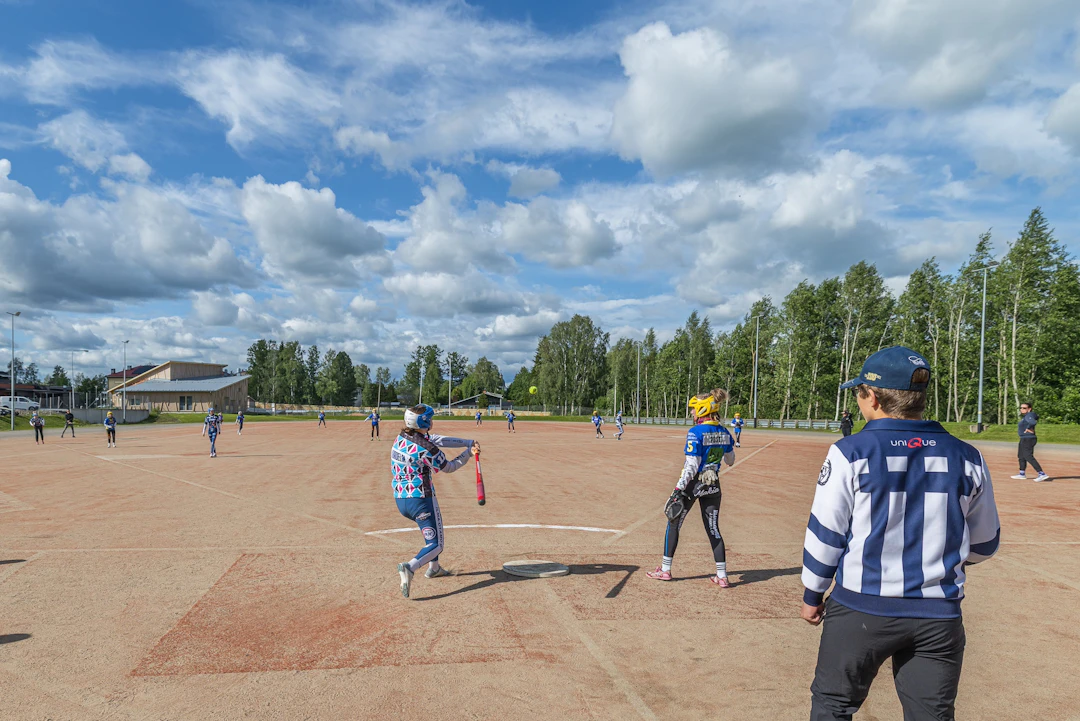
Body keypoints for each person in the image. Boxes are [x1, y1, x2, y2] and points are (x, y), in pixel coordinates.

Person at [800, 346, 1000, 721]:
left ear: (872, 397)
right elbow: (985, 543)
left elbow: (826, 533)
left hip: (862, 607)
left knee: (832, 706)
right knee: (931, 715)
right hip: (938, 615)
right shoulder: (967, 455)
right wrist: (935, 559)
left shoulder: (851, 451)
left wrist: (813, 592)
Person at [647, 388, 736, 587]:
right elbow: (730, 460)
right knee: (713, 528)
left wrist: (678, 489)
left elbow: (691, 465)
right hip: (713, 484)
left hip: (693, 483)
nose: (692, 413)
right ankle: (722, 575)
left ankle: (665, 569)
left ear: (703, 410)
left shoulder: (696, 432)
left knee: (674, 522)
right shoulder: (724, 432)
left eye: (694, 409)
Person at [392, 404, 479, 598]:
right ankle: (410, 567)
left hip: (401, 500)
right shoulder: (427, 448)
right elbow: (448, 467)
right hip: (421, 499)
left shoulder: (403, 437)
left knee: (429, 532)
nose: (432, 421)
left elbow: (437, 439)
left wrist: (467, 442)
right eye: (430, 419)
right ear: (423, 422)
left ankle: (434, 567)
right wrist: (468, 453)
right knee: (437, 544)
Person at [1012, 402, 1050, 482]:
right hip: (1024, 438)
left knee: (1027, 456)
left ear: (1029, 409)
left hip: (1028, 439)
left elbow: (1033, 422)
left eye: (1024, 408)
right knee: (1021, 456)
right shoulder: (1026, 416)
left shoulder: (1029, 415)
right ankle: (1022, 473)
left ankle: (1041, 473)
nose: (1022, 409)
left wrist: (1029, 428)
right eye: (1021, 408)